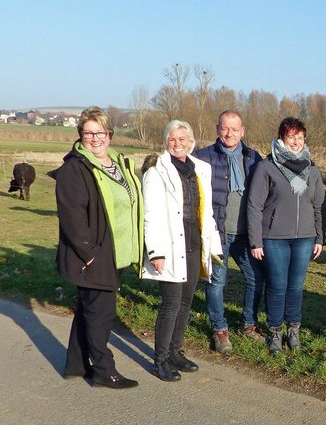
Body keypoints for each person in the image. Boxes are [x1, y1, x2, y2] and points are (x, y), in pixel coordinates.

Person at [55, 106, 144, 389]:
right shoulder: (75, 168)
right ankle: (104, 370)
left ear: (110, 134)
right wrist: (90, 253)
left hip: (115, 252)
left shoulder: (119, 164)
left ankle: (76, 364)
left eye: (100, 132)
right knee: (100, 315)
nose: (95, 138)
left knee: (88, 310)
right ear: (80, 135)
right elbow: (73, 217)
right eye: (88, 132)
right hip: (95, 256)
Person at [142, 120, 222, 382]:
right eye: (172, 139)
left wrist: (214, 246)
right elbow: (150, 215)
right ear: (166, 141)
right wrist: (156, 252)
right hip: (169, 244)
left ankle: (176, 351)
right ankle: (161, 360)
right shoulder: (156, 172)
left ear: (191, 141)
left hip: (194, 241)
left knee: (186, 302)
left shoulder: (201, 169)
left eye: (183, 139)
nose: (178, 144)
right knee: (171, 303)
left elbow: (206, 211)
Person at [247, 117, 325, 354]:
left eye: (300, 137)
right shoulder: (267, 166)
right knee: (278, 286)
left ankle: (294, 330)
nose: (296, 142)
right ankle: (275, 333)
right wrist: (255, 240)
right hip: (274, 238)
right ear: (282, 137)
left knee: (296, 287)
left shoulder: (311, 169)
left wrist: (320, 238)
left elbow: (318, 206)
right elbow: (254, 205)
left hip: (305, 238)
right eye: (292, 137)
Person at [194, 110, 264, 354]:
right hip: (218, 233)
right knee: (217, 282)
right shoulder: (202, 157)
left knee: (256, 279)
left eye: (235, 129)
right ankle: (220, 329)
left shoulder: (254, 158)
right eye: (225, 128)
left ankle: (249, 324)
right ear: (217, 129)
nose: (230, 133)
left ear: (243, 131)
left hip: (247, 235)